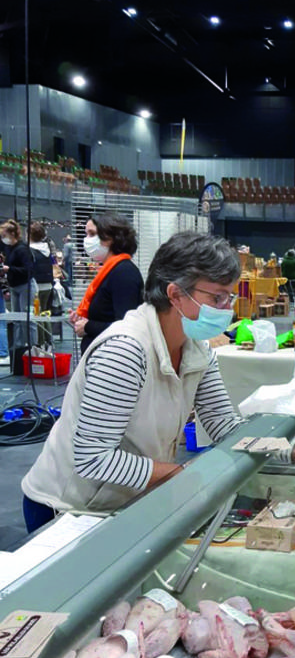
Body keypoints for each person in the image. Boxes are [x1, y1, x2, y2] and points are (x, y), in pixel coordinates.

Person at [21, 231, 242, 532]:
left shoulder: (195, 347)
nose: (227, 308)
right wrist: (182, 474)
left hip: (124, 501)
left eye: (230, 296)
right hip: (69, 510)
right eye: (217, 297)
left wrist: (285, 447)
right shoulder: (125, 351)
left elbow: (222, 423)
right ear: (175, 294)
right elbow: (94, 459)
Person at [71, 213, 144, 355]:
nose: (86, 240)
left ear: (110, 238)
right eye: (86, 234)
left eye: (92, 234)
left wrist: (88, 326)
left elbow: (126, 326)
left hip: (112, 358)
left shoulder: (123, 273)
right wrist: (84, 319)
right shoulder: (109, 270)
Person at [1, 218, 35, 356]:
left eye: (4, 235)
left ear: (12, 234)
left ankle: (33, 348)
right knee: (17, 320)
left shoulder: (23, 249)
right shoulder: (9, 249)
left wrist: (9, 269)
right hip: (14, 286)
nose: (2, 239)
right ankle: (19, 350)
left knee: (28, 319)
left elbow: (28, 270)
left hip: (26, 286)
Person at [29, 222, 54, 343]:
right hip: (48, 285)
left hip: (36, 287)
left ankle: (40, 343)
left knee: (37, 314)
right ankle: (49, 340)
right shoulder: (47, 249)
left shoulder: (30, 250)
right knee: (44, 313)